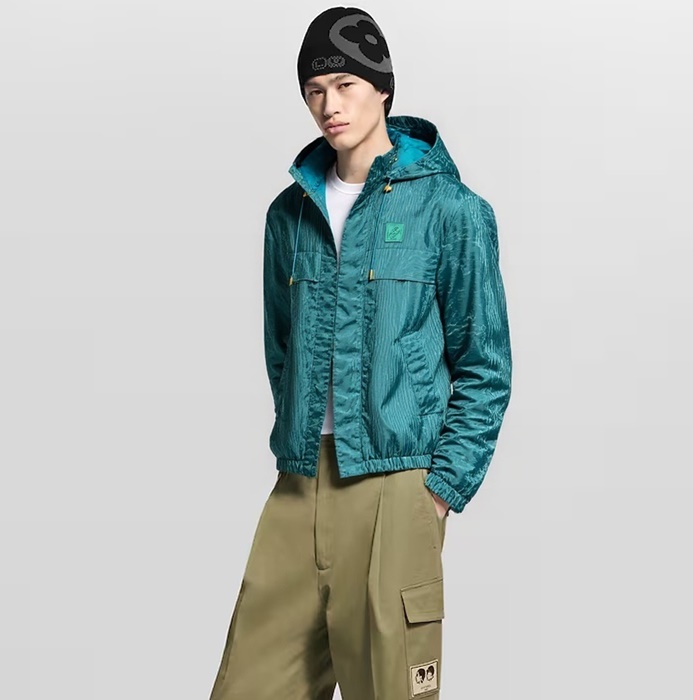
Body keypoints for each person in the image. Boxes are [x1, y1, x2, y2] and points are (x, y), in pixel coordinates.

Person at [208, 6, 512, 699]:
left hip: (396, 485)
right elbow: (281, 347)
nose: (330, 106)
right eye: (314, 91)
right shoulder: (288, 214)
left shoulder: (451, 211)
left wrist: (438, 493)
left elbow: (485, 366)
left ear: (383, 87)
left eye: (345, 85)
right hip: (300, 482)